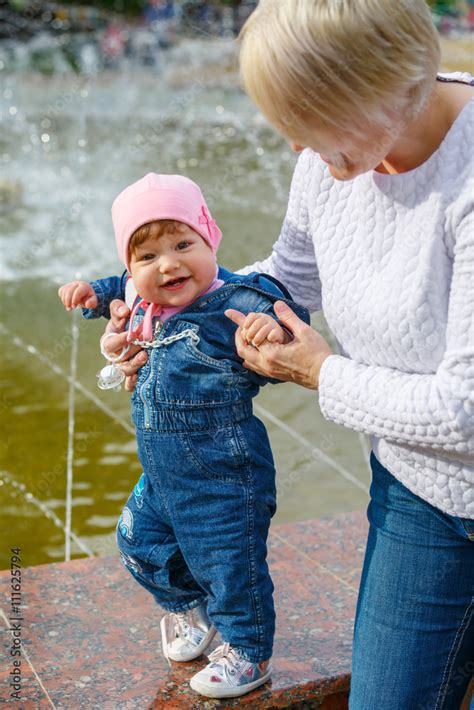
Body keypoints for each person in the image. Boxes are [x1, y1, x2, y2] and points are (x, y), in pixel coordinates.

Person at [103, 1, 474, 707]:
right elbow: (286, 280)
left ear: (383, 87)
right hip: (421, 490)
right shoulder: (334, 159)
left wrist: (317, 370)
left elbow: (464, 409)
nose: (296, 150)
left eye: (308, 123)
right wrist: (171, 321)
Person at [58, 172, 310, 699]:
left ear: (209, 237)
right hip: (164, 470)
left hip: (223, 472)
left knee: (229, 563)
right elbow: (112, 288)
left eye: (182, 245)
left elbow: (288, 318)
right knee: (137, 541)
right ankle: (185, 609)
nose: (168, 264)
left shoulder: (233, 301)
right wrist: (89, 295)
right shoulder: (136, 294)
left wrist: (271, 330)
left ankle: (247, 650)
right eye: (146, 256)